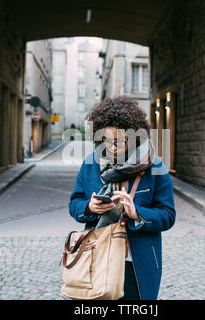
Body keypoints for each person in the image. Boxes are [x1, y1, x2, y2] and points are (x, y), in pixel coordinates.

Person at [68, 96, 176, 300]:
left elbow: (168, 215)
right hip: (98, 256)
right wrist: (89, 207)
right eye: (106, 140)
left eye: (119, 141)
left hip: (137, 264)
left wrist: (136, 213)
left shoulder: (156, 167)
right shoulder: (90, 164)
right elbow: (74, 204)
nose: (112, 146)